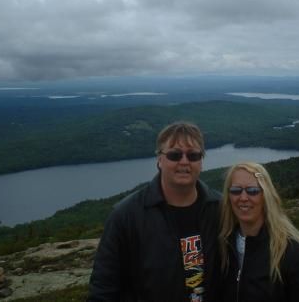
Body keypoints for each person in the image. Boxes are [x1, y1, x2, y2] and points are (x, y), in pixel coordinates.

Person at [88, 121, 220, 302]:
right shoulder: (127, 215)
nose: (184, 161)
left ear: (201, 161)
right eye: (174, 155)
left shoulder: (219, 208)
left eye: (193, 155)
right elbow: (104, 287)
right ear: (159, 160)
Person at [217, 162, 299, 302]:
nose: (243, 198)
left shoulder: (291, 253)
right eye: (236, 190)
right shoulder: (224, 245)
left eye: (253, 191)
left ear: (265, 196)